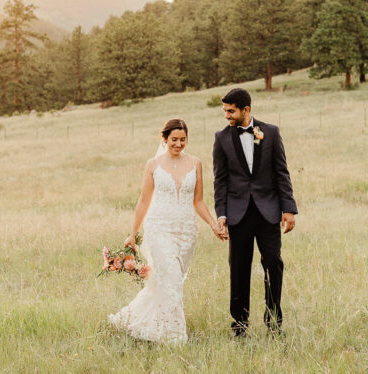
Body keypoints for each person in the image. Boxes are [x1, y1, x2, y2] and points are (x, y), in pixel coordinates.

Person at [109, 118, 226, 343]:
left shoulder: (196, 164)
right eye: (174, 139)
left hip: (186, 232)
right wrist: (132, 233)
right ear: (164, 139)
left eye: (183, 140)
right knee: (170, 277)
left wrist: (213, 225)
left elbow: (198, 201)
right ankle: (173, 336)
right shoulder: (152, 165)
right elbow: (144, 201)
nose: (179, 144)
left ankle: (134, 319)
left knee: (170, 282)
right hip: (159, 228)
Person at [213, 88, 298, 338]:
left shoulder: (270, 132)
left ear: (246, 110)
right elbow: (220, 181)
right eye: (225, 111)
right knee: (238, 269)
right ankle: (239, 326)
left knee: (273, 264)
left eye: (231, 111)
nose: (227, 116)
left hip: (268, 212)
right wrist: (221, 214)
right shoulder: (221, 138)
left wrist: (289, 209)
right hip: (238, 214)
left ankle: (274, 322)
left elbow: (282, 172)